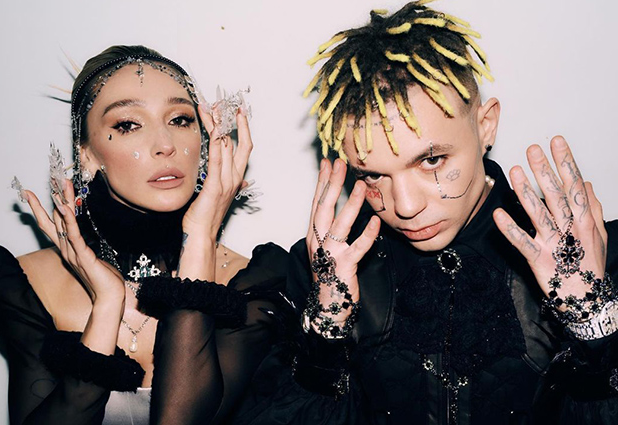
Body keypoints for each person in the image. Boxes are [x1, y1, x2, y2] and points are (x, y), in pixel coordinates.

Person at [233, 2, 618, 424]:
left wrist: (593, 326)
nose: (406, 206)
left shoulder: (590, 257)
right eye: (373, 174)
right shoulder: (324, 270)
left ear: (486, 126)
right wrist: (327, 331)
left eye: (431, 160)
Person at [0, 45, 287, 425]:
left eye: (180, 119)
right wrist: (107, 305)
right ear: (87, 154)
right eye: (128, 125)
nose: (165, 145)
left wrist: (200, 238)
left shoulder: (252, 282)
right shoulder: (26, 283)